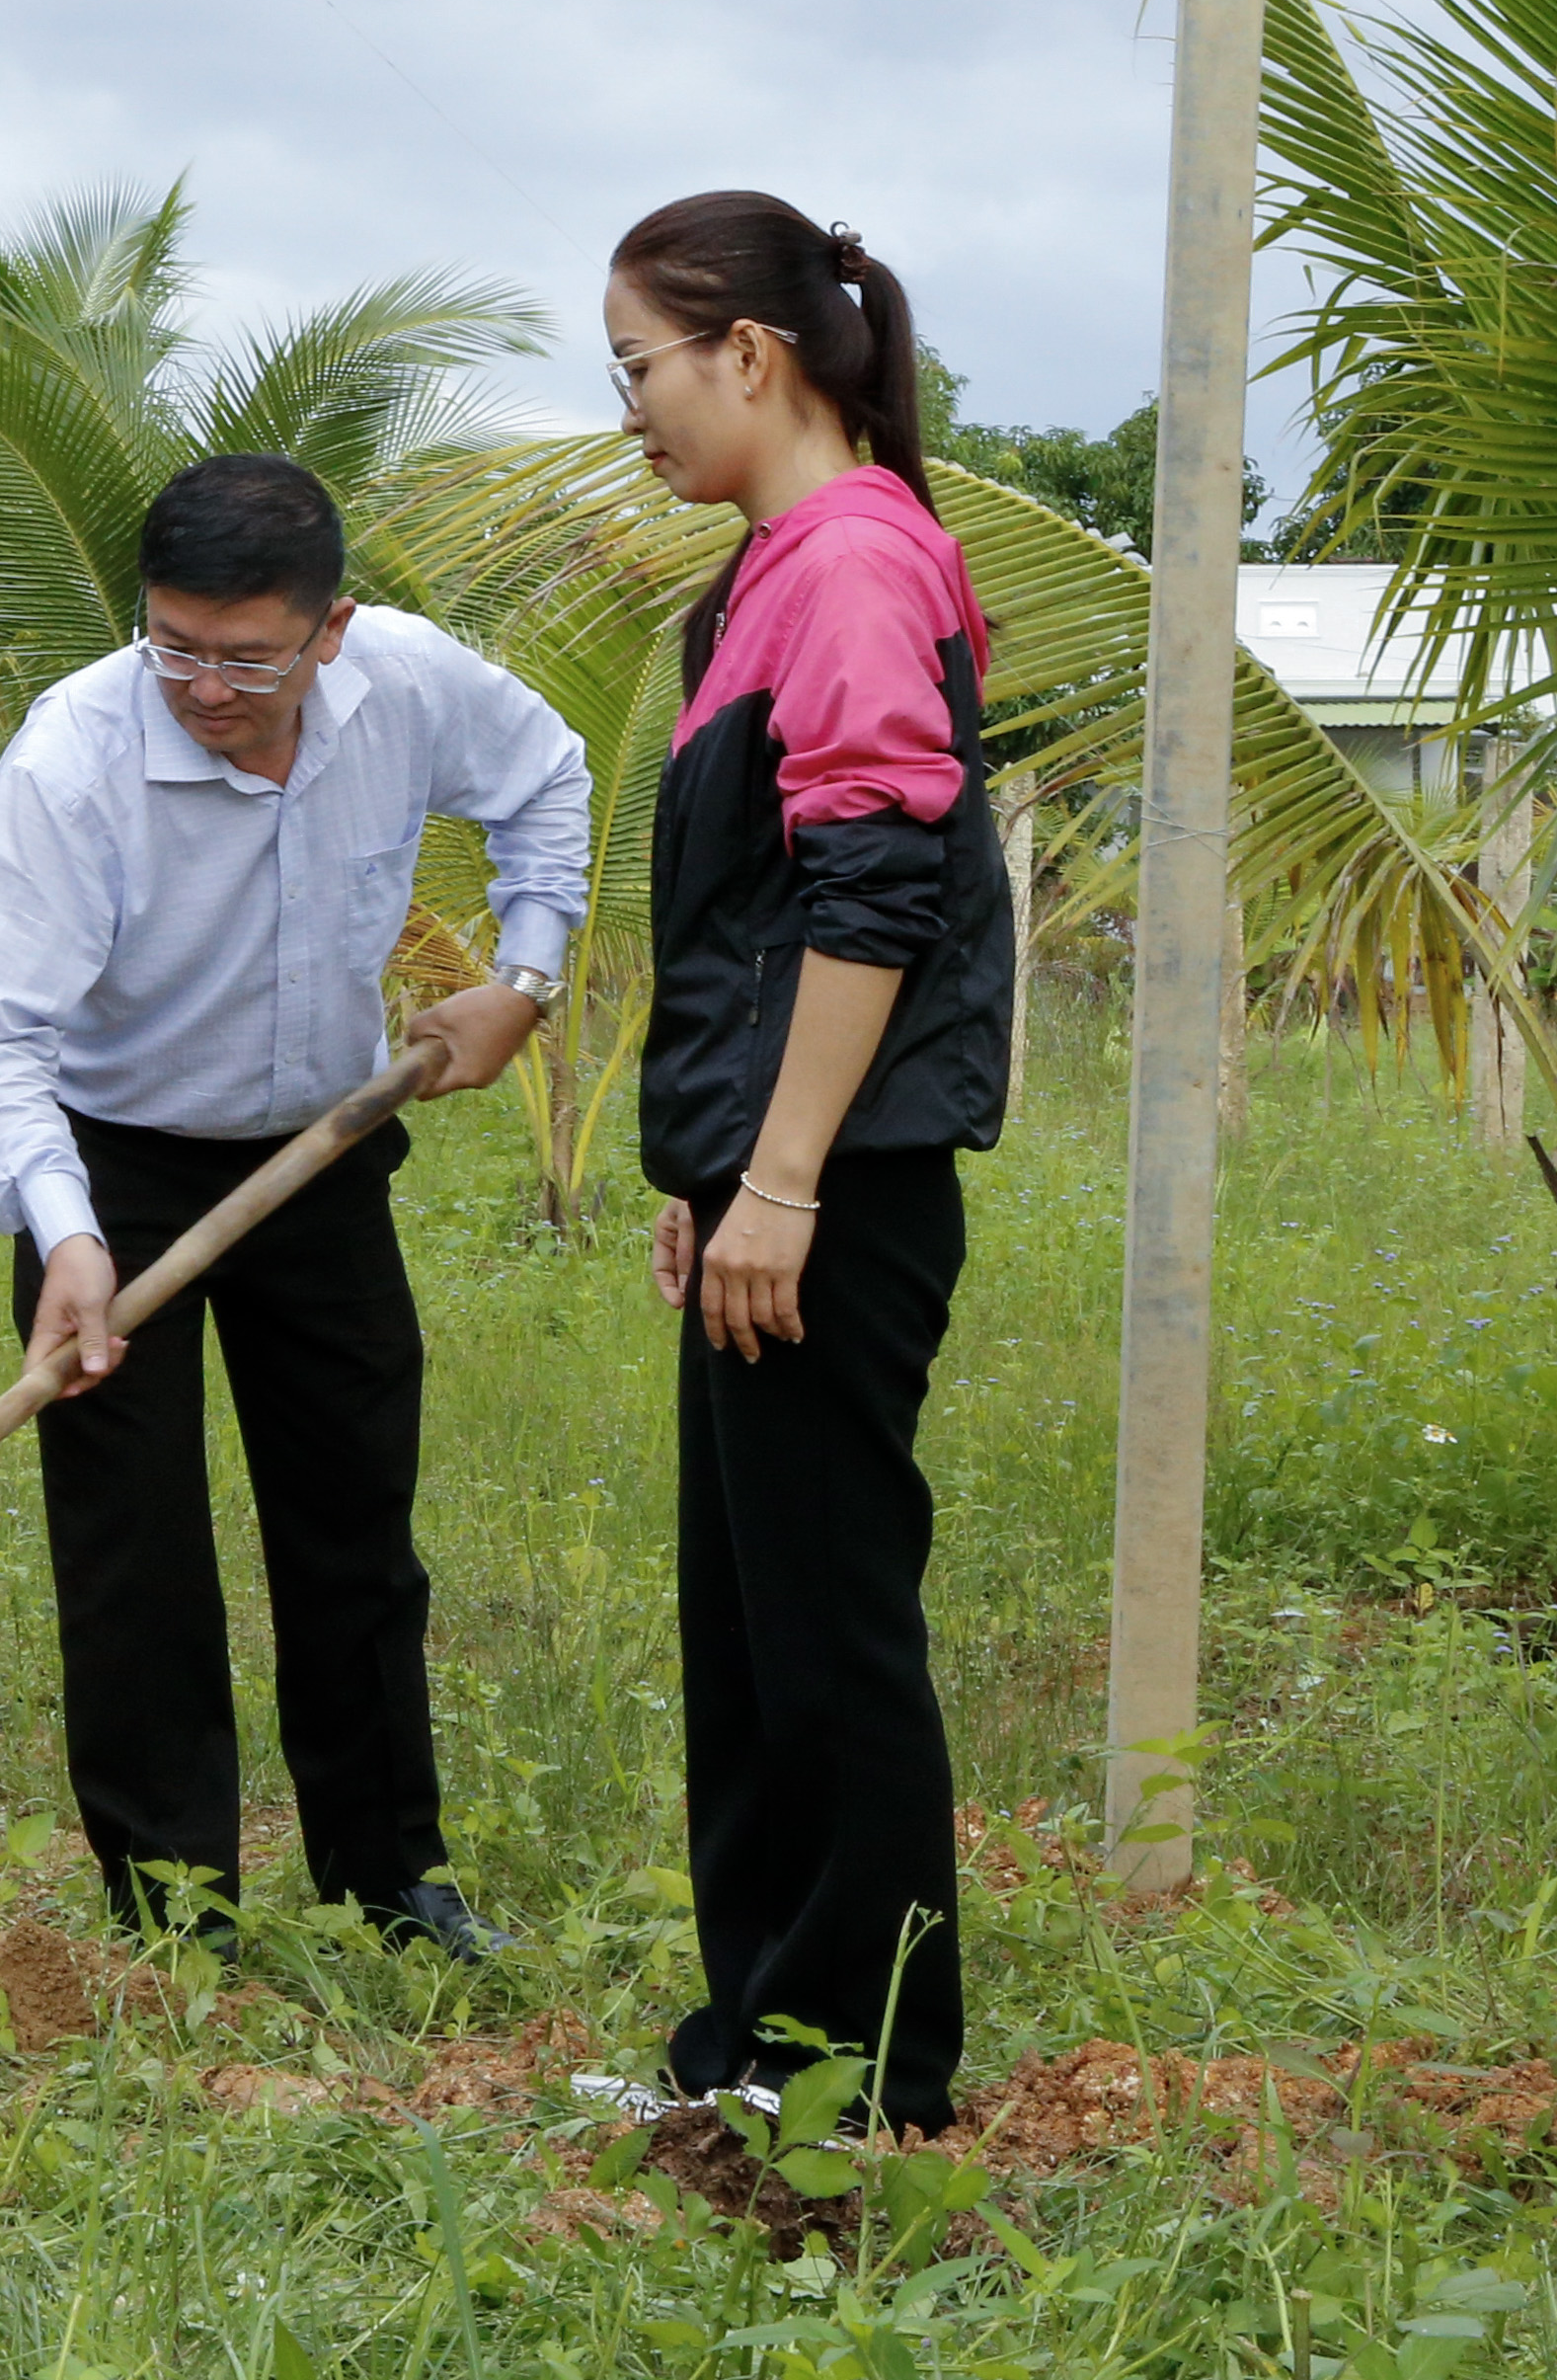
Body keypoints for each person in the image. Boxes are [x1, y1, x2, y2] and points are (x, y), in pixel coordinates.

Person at [0, 451, 591, 1956]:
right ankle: (170, 1913)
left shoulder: (410, 685)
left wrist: (524, 977)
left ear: (330, 628)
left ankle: (389, 1882)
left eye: (247, 656)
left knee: (353, 1527)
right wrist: (66, 1234)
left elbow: (548, 776)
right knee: (132, 1548)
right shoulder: (70, 760)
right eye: (173, 645)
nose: (206, 686)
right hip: (113, 1168)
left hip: (323, 1149)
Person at [610, 192, 1007, 2137]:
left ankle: (873, 2084)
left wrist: (779, 1185)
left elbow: (874, 895)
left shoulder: (851, 563)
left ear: (748, 354)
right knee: (756, 1632)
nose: (634, 419)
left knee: (831, 1633)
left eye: (641, 371)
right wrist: (710, 1176)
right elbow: (762, 930)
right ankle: (759, 2056)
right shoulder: (781, 567)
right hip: (777, 1183)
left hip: (836, 1194)